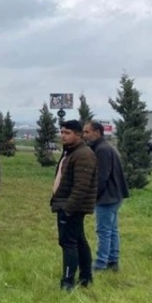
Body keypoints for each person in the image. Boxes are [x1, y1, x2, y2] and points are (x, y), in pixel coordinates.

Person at [51, 120, 98, 291]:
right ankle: (86, 277)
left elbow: (81, 186)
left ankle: (68, 282)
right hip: (66, 204)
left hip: (72, 207)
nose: (63, 135)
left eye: (67, 132)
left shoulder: (83, 154)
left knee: (68, 243)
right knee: (78, 240)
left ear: (78, 134)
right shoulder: (70, 152)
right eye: (62, 132)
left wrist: (68, 209)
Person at [84, 121, 129, 272]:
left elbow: (102, 176)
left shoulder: (102, 149)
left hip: (107, 196)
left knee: (103, 231)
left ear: (97, 132)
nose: (85, 135)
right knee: (112, 230)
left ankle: (101, 263)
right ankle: (113, 261)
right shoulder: (107, 146)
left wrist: (93, 196)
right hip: (116, 195)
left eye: (87, 132)